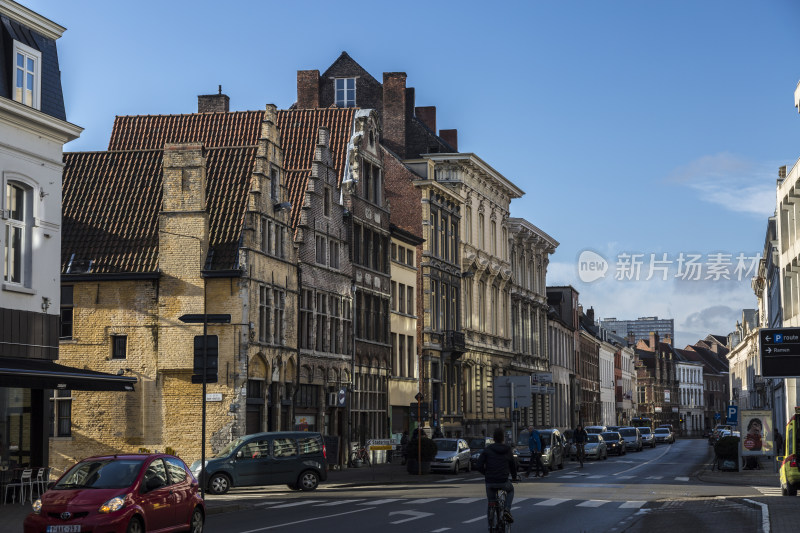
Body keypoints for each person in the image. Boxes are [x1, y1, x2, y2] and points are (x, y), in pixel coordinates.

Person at [477, 427, 519, 524]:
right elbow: (513, 465)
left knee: (491, 501)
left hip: (490, 481)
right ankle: (507, 510)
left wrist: (486, 473)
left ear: (493, 438)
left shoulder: (487, 450)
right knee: (511, 490)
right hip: (503, 481)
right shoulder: (508, 449)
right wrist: (514, 477)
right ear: (503, 438)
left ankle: (490, 525)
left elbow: (478, 465)